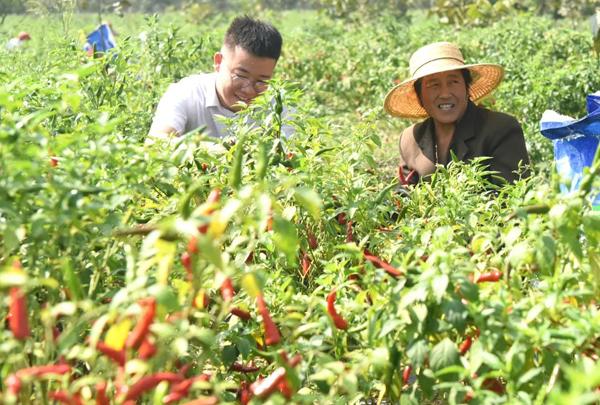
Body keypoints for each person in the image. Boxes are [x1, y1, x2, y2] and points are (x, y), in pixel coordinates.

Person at [384, 42, 530, 185]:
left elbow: (511, 197)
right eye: (434, 85)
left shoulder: (500, 129)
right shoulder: (410, 139)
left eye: (453, 82)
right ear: (419, 96)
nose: (445, 94)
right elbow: (403, 197)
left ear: (467, 88)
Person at [149, 15, 290, 143]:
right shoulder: (186, 92)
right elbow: (155, 144)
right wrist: (210, 149)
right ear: (218, 62)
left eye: (262, 81)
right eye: (240, 75)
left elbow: (289, 156)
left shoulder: (278, 104)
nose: (249, 90)